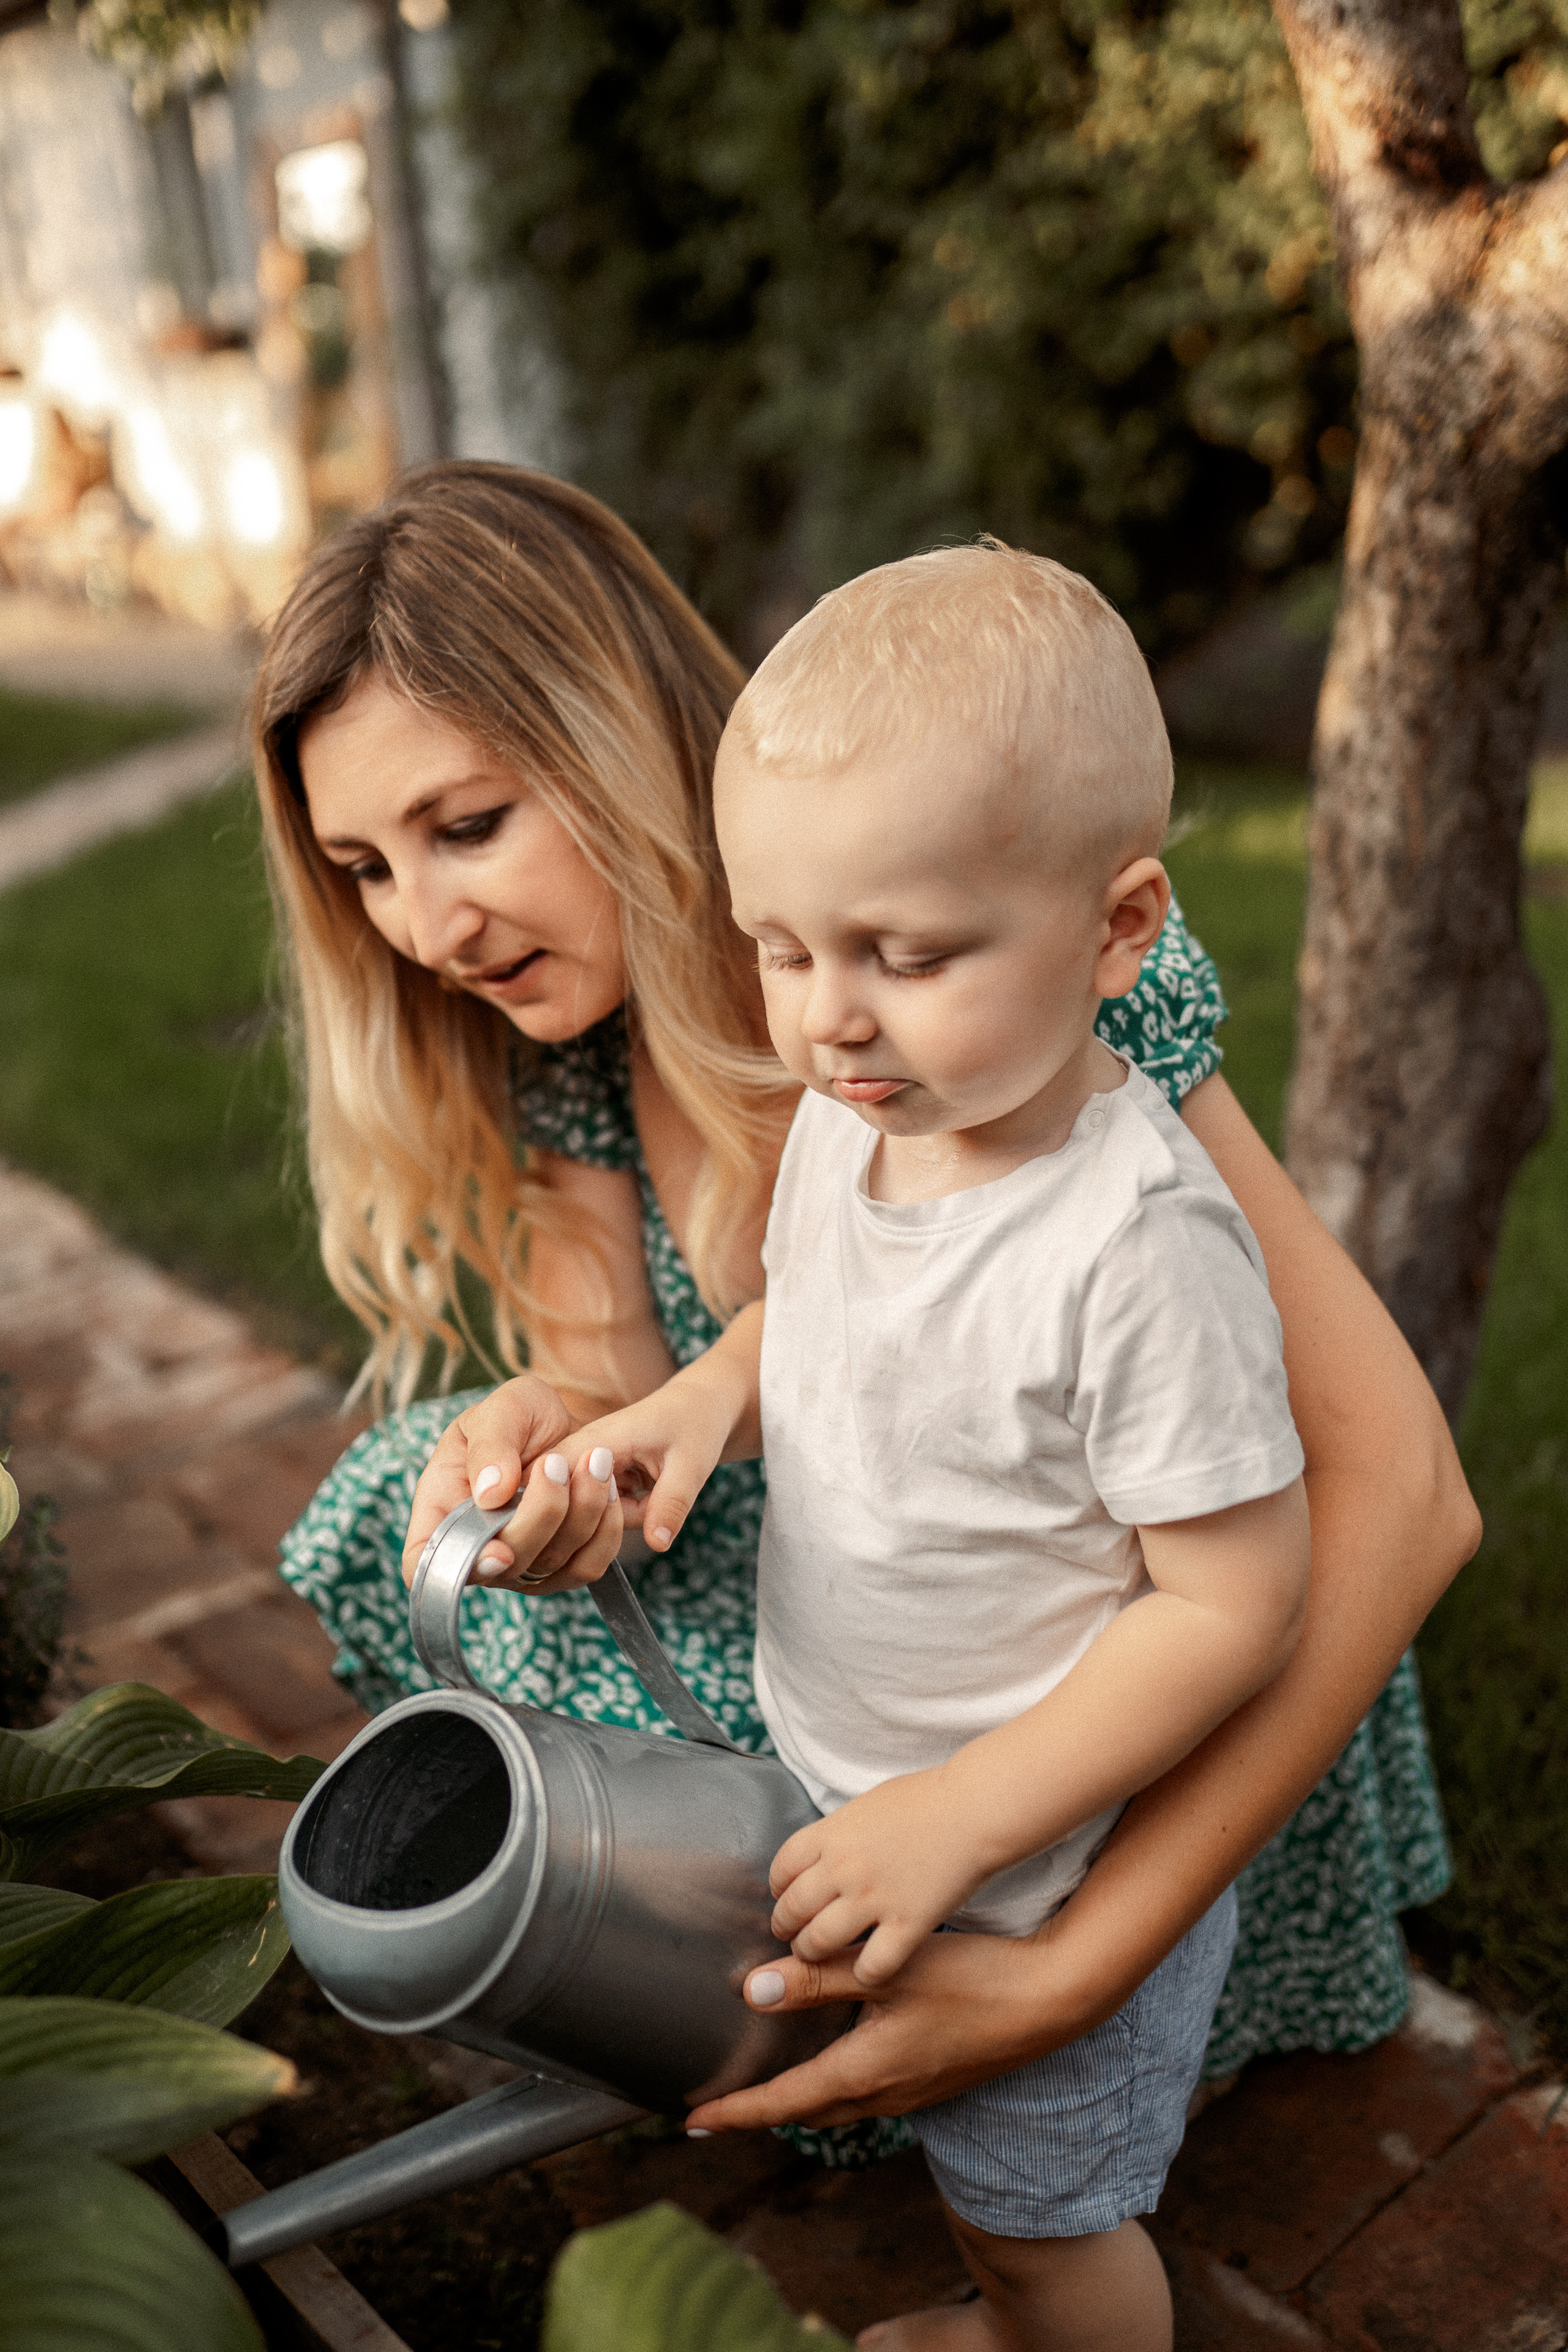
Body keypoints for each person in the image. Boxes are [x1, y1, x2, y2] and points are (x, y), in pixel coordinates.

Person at [258, 461, 1477, 2185]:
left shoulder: (1014, 955)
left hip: (1119, 1667)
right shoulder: (579, 1041)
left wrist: (1071, 1971)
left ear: (617, 742)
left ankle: (1035, 2014)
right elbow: (635, 1385)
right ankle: (775, 1999)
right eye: (363, 866)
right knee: (419, 1492)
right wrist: (572, 1436)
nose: (425, 926)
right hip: (885, 1578)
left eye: (469, 826)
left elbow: (1402, 1496)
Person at [516, 543, 1314, 2350]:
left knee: (1049, 2214)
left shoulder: (1134, 1247)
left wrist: (959, 1816)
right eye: (784, 948)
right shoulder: (860, 1115)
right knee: (965, 2167)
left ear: (1121, 929)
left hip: (1050, 1853)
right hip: (870, 1780)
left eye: (909, 954)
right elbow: (820, 1313)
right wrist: (707, 1399)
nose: (830, 1015)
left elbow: (1237, 1601)